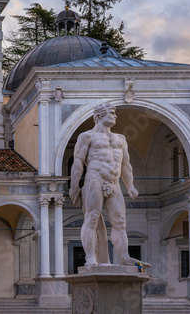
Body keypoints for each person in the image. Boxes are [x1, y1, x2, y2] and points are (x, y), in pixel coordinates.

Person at [70, 102, 149, 267]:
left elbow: (126, 165)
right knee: (91, 218)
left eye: (115, 113)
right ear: (99, 115)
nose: (115, 116)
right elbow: (78, 162)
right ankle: (91, 258)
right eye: (111, 113)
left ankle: (125, 257)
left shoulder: (120, 138)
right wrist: (74, 186)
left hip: (114, 183)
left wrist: (130, 186)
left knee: (120, 222)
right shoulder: (87, 136)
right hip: (94, 178)